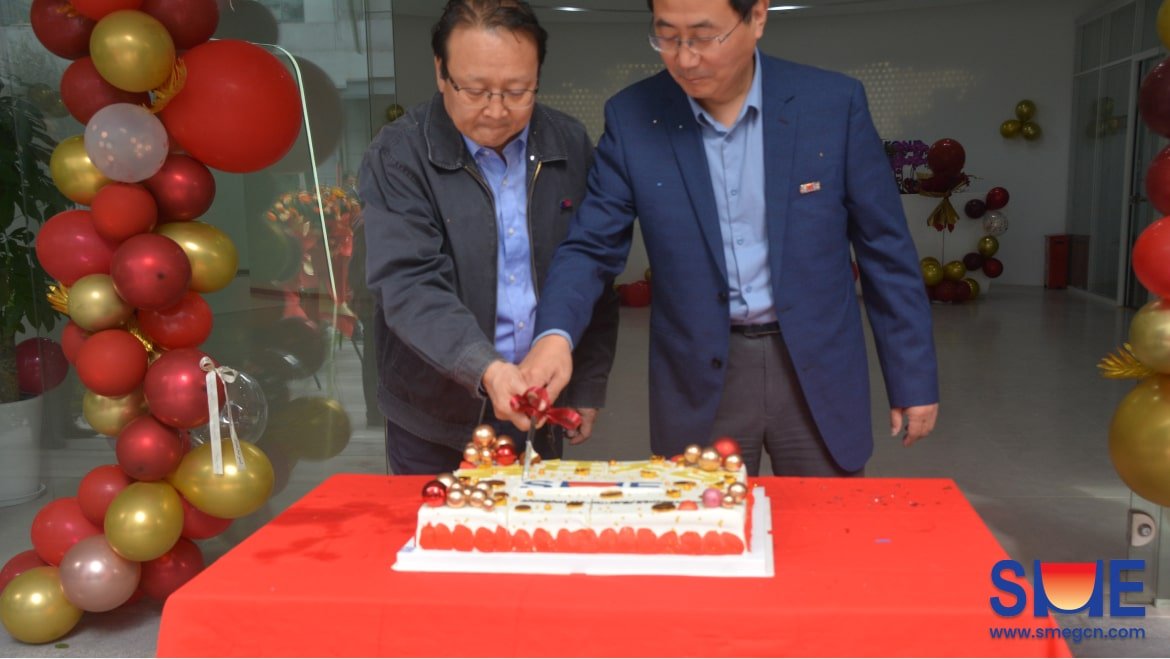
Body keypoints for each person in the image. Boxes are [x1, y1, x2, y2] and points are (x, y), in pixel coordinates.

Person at [511, 0, 938, 477]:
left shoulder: (831, 105)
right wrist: (554, 336)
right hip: (699, 374)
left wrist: (912, 377)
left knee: (825, 531)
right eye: (667, 36)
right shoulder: (634, 117)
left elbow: (886, 251)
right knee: (708, 535)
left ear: (757, 17)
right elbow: (591, 247)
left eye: (703, 36)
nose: (685, 58)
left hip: (815, 370)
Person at [358, 0, 618, 475]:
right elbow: (410, 286)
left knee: (530, 540)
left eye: (518, 91)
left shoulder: (567, 143)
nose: (497, 111)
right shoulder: (399, 154)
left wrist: (585, 386)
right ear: (441, 72)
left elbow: (589, 268)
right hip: (435, 413)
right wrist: (487, 369)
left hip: (540, 401)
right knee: (437, 540)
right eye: (476, 90)